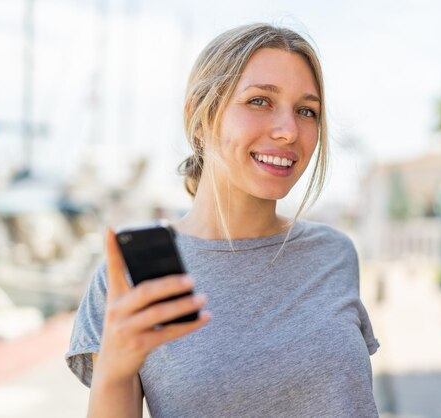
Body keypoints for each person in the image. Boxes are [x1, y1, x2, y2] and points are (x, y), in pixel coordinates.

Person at [66, 23, 380, 418]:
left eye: (306, 111)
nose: (288, 131)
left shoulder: (334, 254)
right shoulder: (129, 276)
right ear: (200, 116)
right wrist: (113, 372)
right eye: (259, 101)